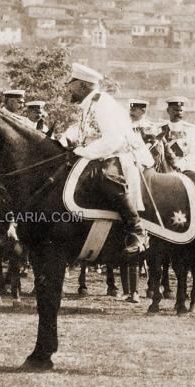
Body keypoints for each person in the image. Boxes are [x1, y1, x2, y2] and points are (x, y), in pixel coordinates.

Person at [63, 63, 153, 255]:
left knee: (107, 177)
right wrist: (63, 139)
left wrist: (83, 152)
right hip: (100, 153)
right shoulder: (88, 105)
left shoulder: (103, 103)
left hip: (119, 154)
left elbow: (113, 138)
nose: (68, 88)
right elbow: (79, 130)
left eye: (72, 84)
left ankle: (136, 229)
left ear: (82, 85)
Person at [158, 96, 195, 172]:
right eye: (175, 110)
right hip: (164, 169)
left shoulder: (190, 129)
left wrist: (180, 165)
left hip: (185, 168)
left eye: (180, 110)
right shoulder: (160, 129)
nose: (178, 113)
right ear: (168, 111)